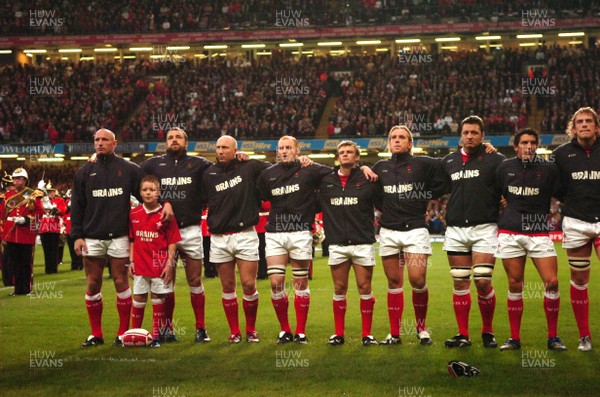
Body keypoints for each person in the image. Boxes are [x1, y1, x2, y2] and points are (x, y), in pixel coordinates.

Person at [257, 135, 376, 344]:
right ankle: (285, 330)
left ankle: (300, 332)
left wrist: (363, 167)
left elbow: (340, 171)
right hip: (275, 232)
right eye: (281, 148)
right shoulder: (268, 174)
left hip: (301, 231)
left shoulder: (311, 169)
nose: (284, 151)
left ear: (297, 151)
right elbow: (262, 195)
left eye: (288, 148)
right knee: (276, 283)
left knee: (300, 283)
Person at [372, 125, 447, 346]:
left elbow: (447, 172)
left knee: (417, 279)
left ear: (410, 143)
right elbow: (375, 194)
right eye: (393, 137)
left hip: (415, 229)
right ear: (389, 142)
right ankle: (394, 333)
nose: (397, 140)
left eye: (402, 137)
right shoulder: (380, 166)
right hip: (389, 231)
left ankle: (422, 328)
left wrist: (424, 197)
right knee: (394, 282)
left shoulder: (423, 163)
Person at [71, 128, 145, 347]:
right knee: (93, 284)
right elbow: (77, 207)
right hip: (92, 237)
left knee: (121, 282)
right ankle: (97, 334)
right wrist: (76, 236)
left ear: (115, 144)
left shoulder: (129, 169)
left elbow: (147, 194)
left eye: (105, 140)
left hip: (119, 236)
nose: (100, 143)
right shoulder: (84, 173)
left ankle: (122, 333)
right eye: (96, 140)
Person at [496, 128, 567, 351]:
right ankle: (514, 338)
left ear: (537, 146)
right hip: (510, 231)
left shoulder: (548, 169)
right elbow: (494, 192)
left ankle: (553, 337)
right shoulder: (505, 167)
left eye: (533, 143)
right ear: (516, 146)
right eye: (524, 143)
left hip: (538, 231)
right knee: (515, 285)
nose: (529, 146)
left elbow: (563, 192)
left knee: (552, 282)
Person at [140, 128, 213, 343]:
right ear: (165, 143)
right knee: (165, 282)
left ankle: (200, 328)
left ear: (186, 143)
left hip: (190, 230)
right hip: (162, 233)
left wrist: (240, 157)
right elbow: (133, 180)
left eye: (178, 137)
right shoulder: (153, 164)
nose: (174, 140)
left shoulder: (200, 164)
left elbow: (221, 172)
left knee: (195, 280)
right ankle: (166, 328)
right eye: (170, 137)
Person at [440, 115, 505, 348]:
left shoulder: (495, 159)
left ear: (482, 136)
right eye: (466, 132)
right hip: (456, 229)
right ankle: (463, 334)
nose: (469, 136)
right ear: (461, 135)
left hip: (485, 227)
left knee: (482, 281)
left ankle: (487, 331)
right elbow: (433, 184)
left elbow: (509, 184)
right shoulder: (449, 161)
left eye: (474, 133)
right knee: (460, 282)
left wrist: (506, 200)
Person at [202, 135, 270, 343]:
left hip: (245, 235)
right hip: (220, 238)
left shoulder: (249, 167)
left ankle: (251, 329)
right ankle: (234, 331)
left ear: (235, 150)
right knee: (228, 286)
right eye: (218, 147)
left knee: (249, 284)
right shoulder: (208, 174)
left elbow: (274, 170)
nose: (220, 151)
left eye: (225, 147)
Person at [318, 141, 379, 346]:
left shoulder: (368, 178)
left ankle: (366, 334)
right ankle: (339, 334)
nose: (345, 155)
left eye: (349, 152)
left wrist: (365, 168)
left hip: (362, 242)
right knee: (339, 288)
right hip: (337, 243)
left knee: (364, 287)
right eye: (341, 152)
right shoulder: (326, 181)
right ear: (337, 157)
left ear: (356, 157)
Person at [553, 107, 600, 352]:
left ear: (596, 126)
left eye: (588, 121)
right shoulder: (561, 154)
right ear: (573, 127)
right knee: (579, 280)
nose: (584, 124)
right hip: (576, 222)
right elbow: (554, 186)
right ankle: (584, 336)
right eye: (579, 121)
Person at [129, 175, 181, 348]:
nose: (148, 193)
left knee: (158, 297)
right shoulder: (134, 213)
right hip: (140, 264)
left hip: (160, 265)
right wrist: (131, 261)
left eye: (152, 190)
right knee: (138, 298)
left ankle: (156, 336)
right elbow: (132, 239)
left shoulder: (166, 214)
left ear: (159, 192)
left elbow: (173, 241)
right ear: (140, 192)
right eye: (145, 190)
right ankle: (135, 334)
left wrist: (169, 264)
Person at [0, 168, 44, 296]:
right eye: (15, 178)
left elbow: (39, 213)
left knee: (25, 263)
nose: (16, 181)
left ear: (25, 180)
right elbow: (2, 215)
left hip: (25, 234)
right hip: (11, 234)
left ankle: (27, 288)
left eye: (19, 179)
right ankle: (17, 289)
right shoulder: (6, 196)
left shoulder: (32, 194)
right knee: (14, 263)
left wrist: (25, 219)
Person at [39, 181, 66, 274]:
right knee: (46, 250)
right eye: (48, 192)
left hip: (54, 227)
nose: (50, 193)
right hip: (44, 227)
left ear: (55, 192)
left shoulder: (59, 201)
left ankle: (54, 268)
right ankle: (48, 268)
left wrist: (55, 209)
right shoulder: (42, 200)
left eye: (52, 192)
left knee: (54, 249)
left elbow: (63, 211)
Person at [1, 171, 16, 286]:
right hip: (8, 229)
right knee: (9, 257)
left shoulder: (5, 197)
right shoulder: (7, 197)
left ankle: (8, 279)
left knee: (7, 257)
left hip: (6, 229)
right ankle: (10, 279)